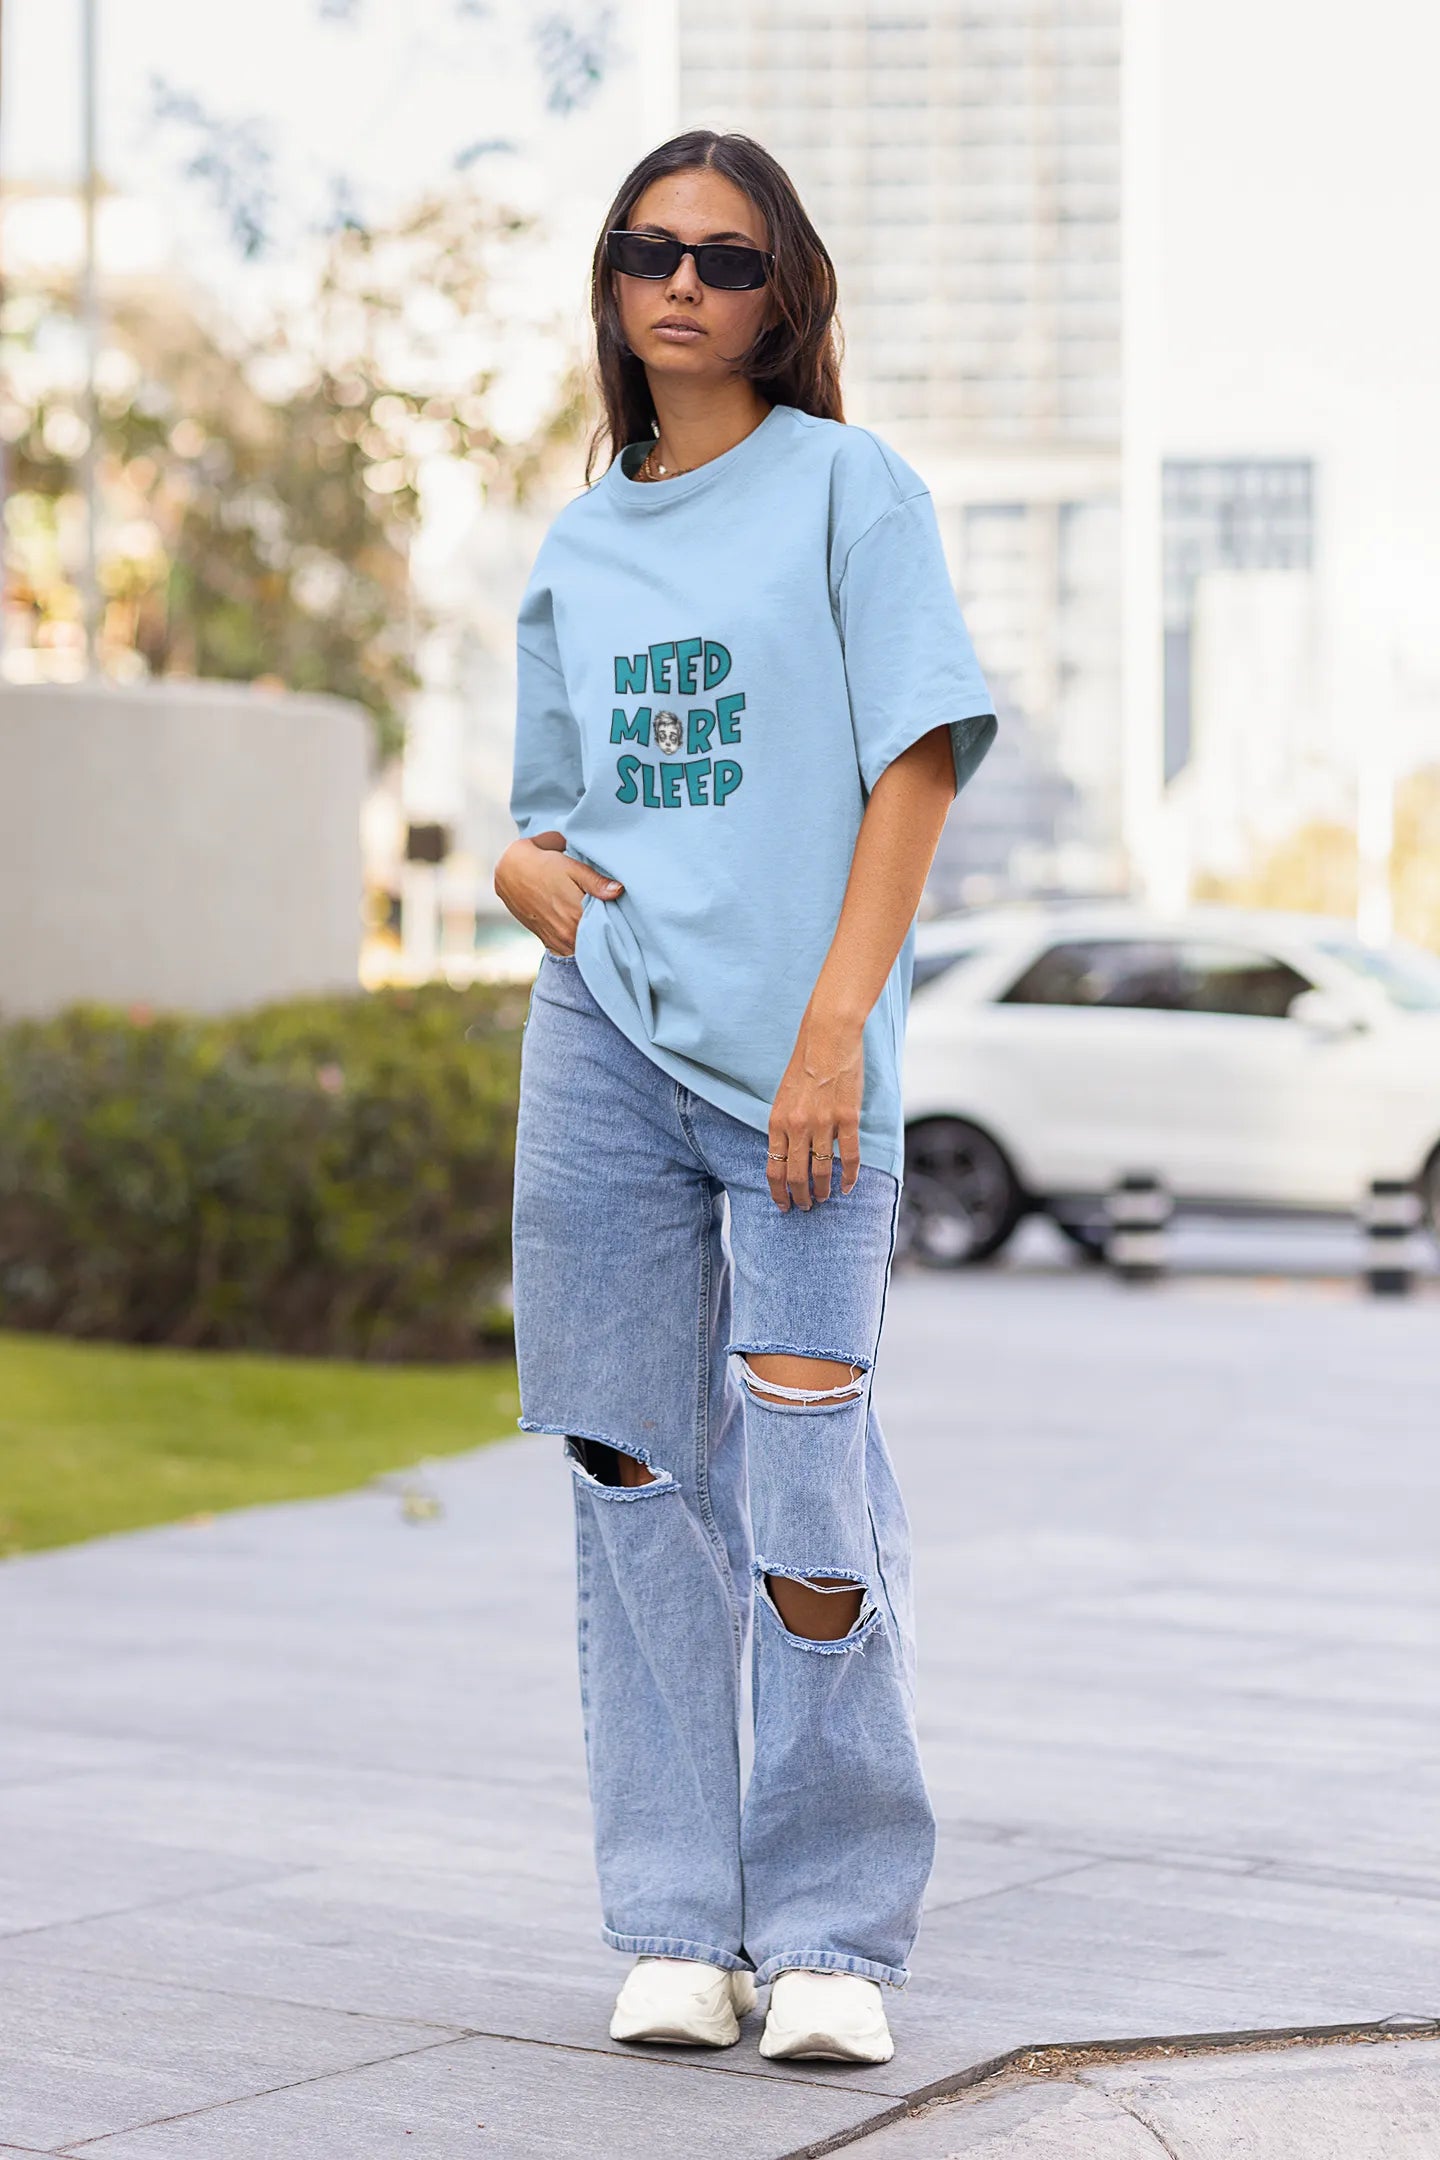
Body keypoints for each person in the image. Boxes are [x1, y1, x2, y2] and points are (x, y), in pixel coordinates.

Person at [495, 129, 996, 2067]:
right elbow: (555, 815)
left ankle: (835, 1934)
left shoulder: (852, 489)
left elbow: (917, 757)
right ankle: (678, 1924)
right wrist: (516, 872)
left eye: (726, 256)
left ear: (787, 290)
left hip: (803, 1060)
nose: (684, 284)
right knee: (629, 1470)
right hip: (602, 1040)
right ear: (613, 285)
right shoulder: (582, 538)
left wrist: (833, 1028)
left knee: (805, 1475)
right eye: (650, 251)